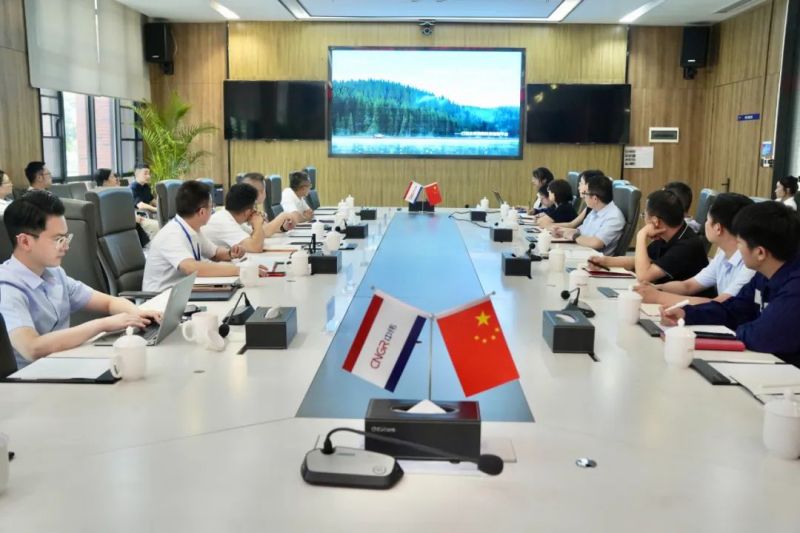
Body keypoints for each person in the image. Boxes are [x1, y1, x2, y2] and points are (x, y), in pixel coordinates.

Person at [0, 191, 161, 369]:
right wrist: (104, 324)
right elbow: (32, 348)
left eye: (66, 237)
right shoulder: (6, 287)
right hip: (33, 378)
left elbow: (109, 302)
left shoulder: (54, 274)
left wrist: (137, 315)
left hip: (63, 364)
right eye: (58, 239)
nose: (66, 246)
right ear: (25, 242)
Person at [661, 202, 800, 366]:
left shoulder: (795, 285)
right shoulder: (763, 275)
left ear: (760, 252)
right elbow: (733, 310)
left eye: (739, 243)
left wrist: (739, 329)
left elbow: (763, 336)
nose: (738, 249)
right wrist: (687, 314)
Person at [143, 181, 267, 293]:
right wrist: (240, 269)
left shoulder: (193, 228)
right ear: (202, 212)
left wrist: (231, 253)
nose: (212, 211)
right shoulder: (171, 234)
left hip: (183, 291)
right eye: (211, 207)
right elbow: (191, 268)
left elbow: (214, 252)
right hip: (160, 299)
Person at [635, 193, 755, 305]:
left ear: (718, 228)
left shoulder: (749, 265)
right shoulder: (723, 254)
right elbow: (688, 286)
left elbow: (720, 303)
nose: (705, 224)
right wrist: (655, 288)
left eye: (707, 220)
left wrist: (658, 297)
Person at [588, 189, 708, 283]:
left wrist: (641, 235)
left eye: (644, 215)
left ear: (655, 221)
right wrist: (605, 261)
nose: (643, 218)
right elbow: (638, 261)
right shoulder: (665, 235)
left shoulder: (687, 245)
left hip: (689, 304)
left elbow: (644, 276)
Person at [552, 174, 625, 255]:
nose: (584, 196)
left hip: (594, 258)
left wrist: (573, 236)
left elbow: (596, 243)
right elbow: (581, 231)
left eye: (585, 194)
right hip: (582, 250)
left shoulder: (614, 217)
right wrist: (562, 231)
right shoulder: (595, 210)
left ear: (595, 198)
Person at [202, 183, 269, 253]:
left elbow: (254, 236)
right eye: (254, 207)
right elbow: (255, 247)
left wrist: (257, 224)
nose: (255, 210)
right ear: (247, 212)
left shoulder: (231, 215)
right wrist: (257, 223)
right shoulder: (224, 222)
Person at [540, 169, 604, 229]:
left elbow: (573, 226)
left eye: (581, 183)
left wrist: (548, 225)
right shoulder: (589, 207)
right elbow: (572, 224)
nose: (578, 187)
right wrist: (549, 226)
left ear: (591, 186)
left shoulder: (565, 207)